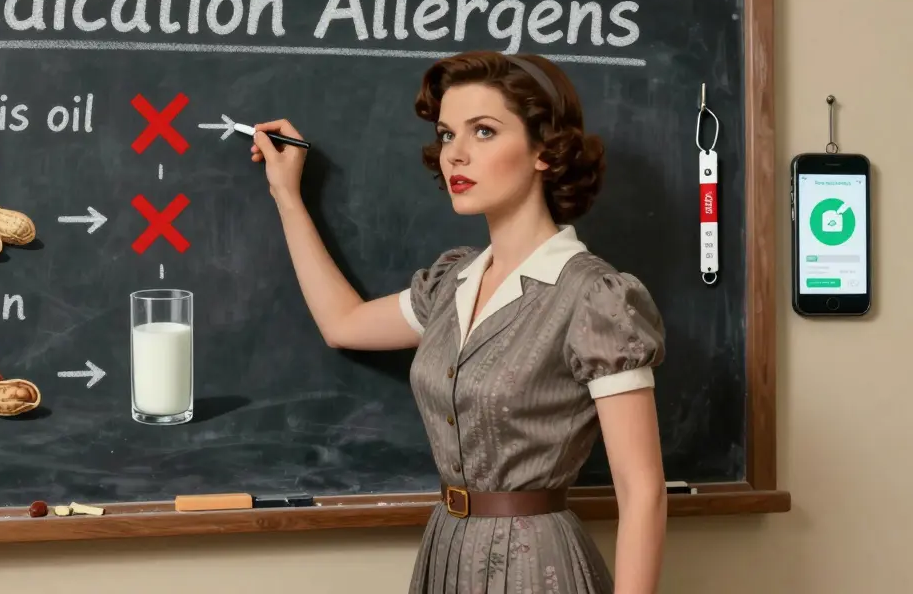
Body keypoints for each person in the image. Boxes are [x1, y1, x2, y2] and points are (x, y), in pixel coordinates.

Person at [246, 50, 668, 594]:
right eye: (447, 135)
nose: (456, 155)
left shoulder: (597, 297)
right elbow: (343, 323)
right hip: (445, 553)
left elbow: (643, 492)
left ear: (545, 150)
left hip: (537, 567)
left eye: (484, 132)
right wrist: (287, 194)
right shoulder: (453, 282)